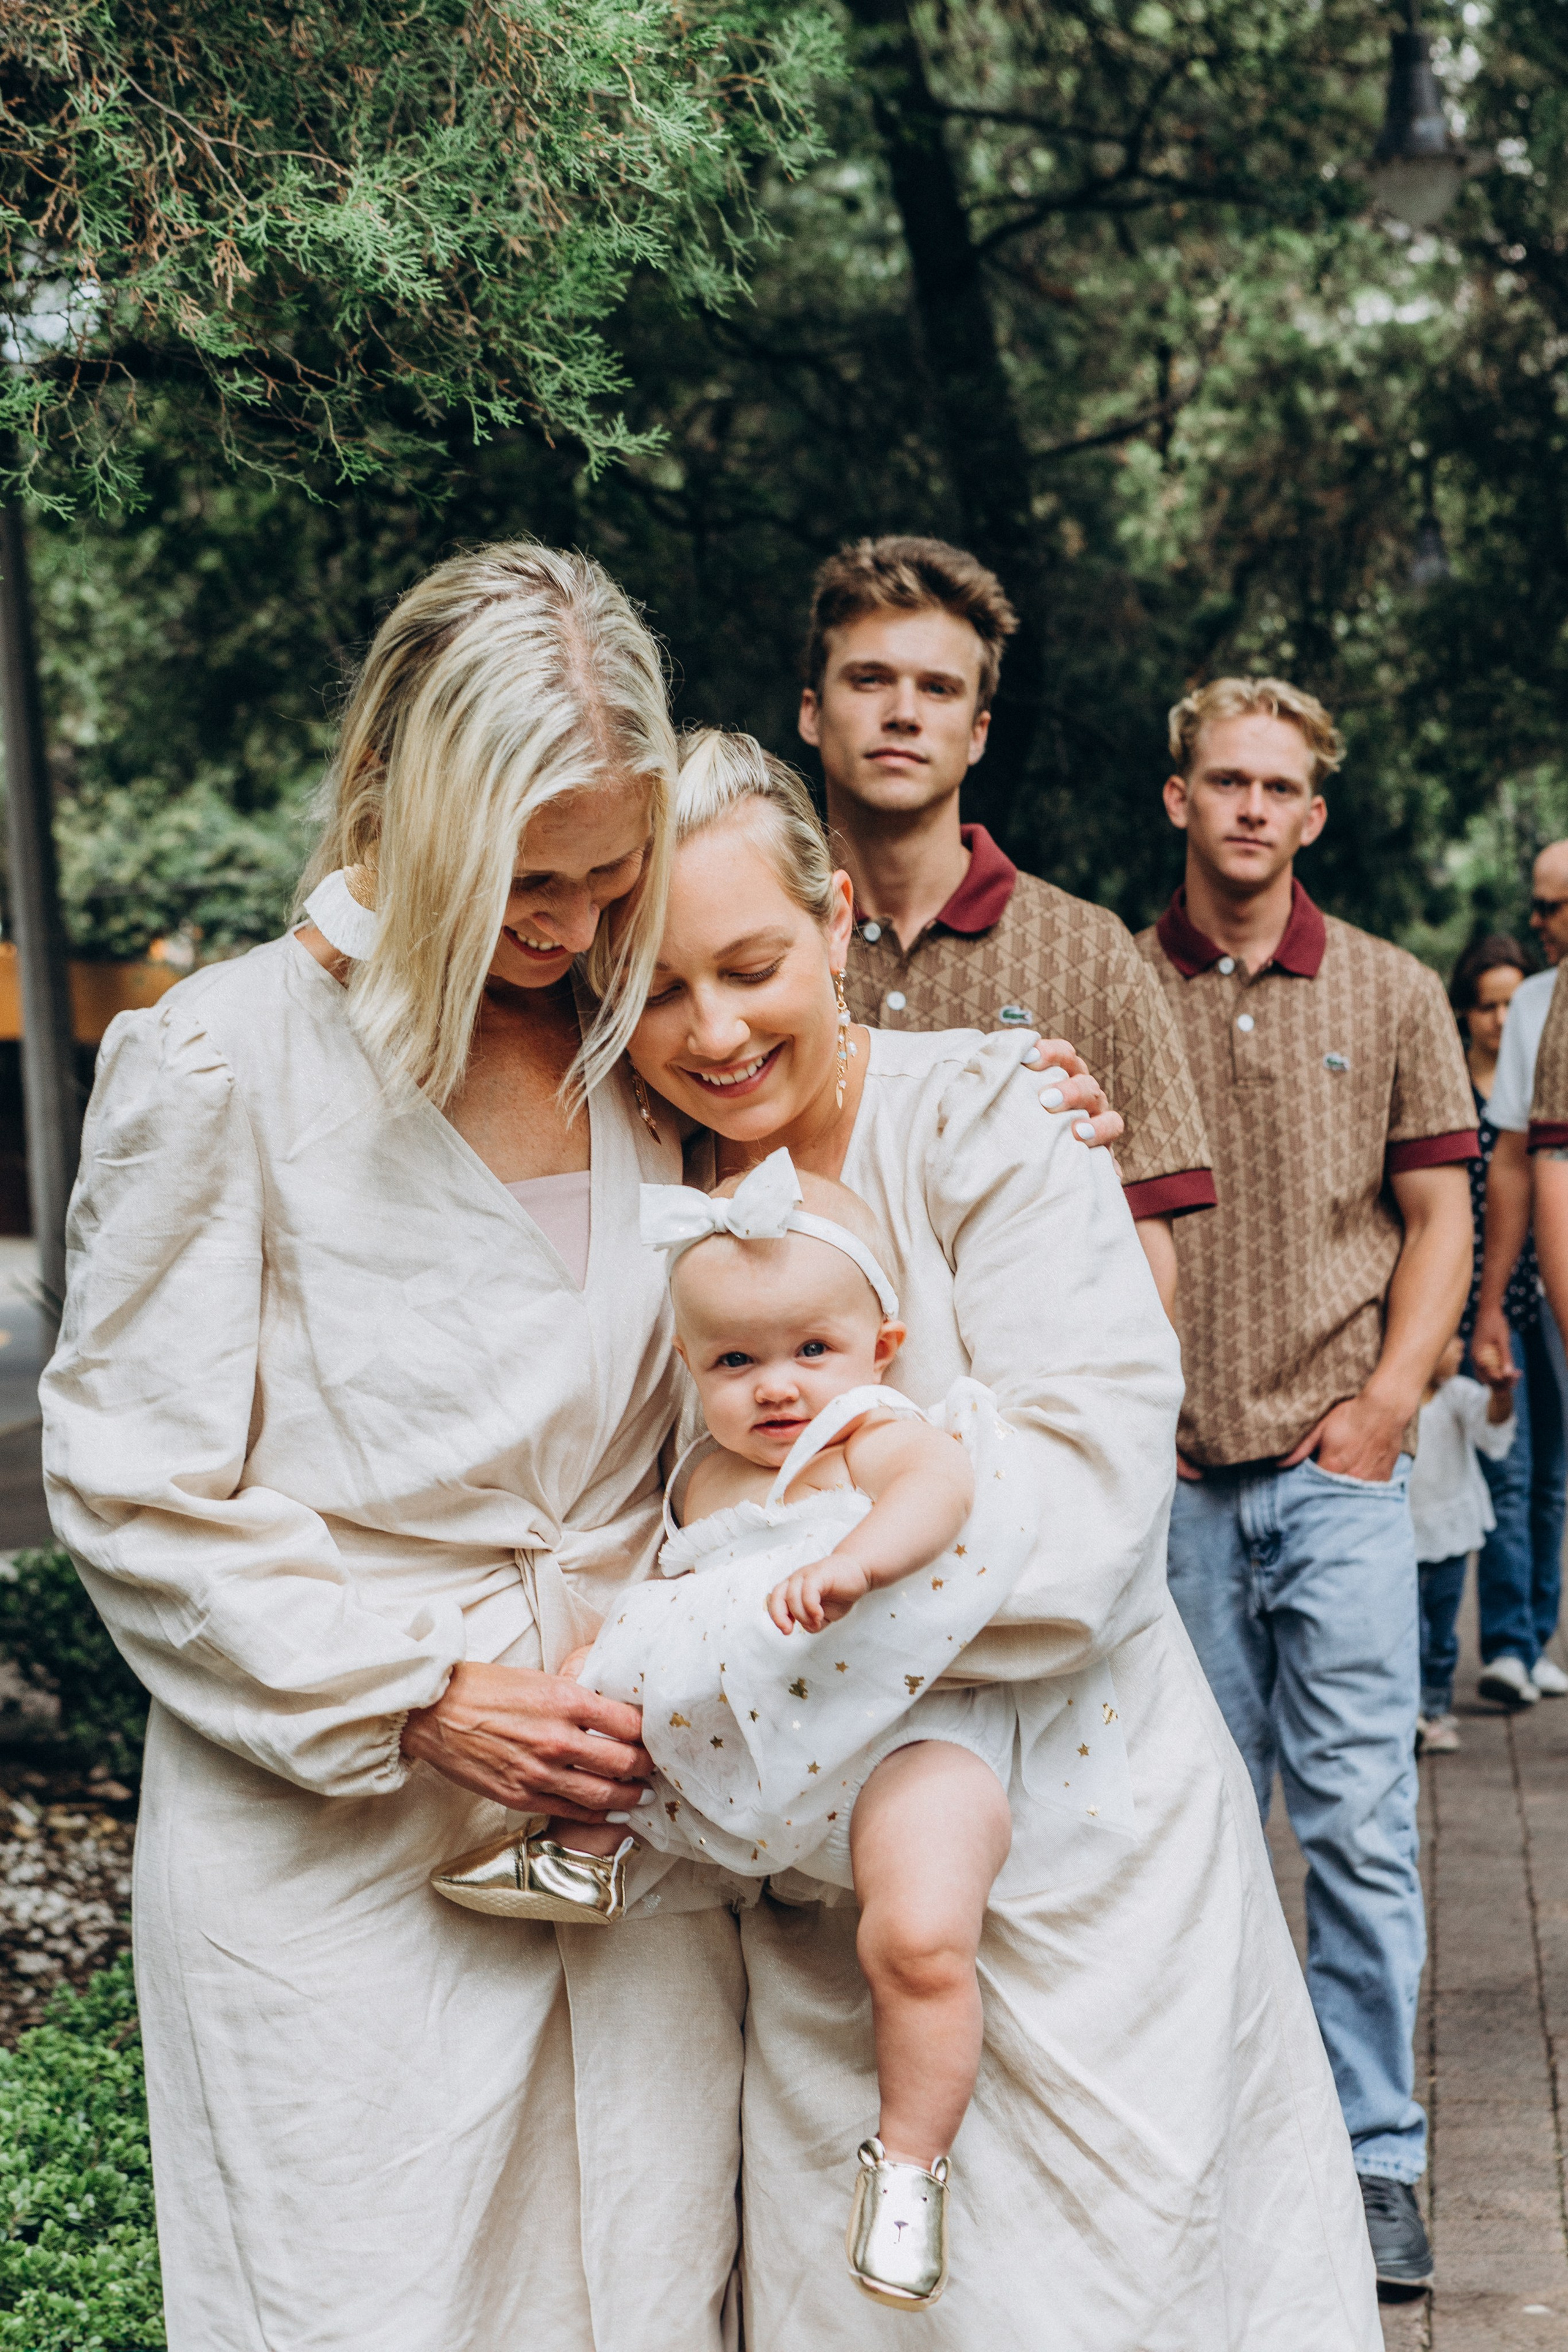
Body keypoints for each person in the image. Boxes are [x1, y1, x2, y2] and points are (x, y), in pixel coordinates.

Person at [38, 548, 1118, 2352]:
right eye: (525, 880)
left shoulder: (640, 1049)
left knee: (645, 2292)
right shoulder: (223, 1063)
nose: (564, 920)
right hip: (343, 1828)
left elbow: (831, 1165)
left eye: (605, 872)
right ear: (397, 803)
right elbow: (133, 1490)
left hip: (634, 1811)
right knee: (365, 2303)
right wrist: (416, 1691)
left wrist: (1001, 1086)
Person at [623, 727, 1382, 2348]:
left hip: (1090, 1853)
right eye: (658, 986)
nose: (715, 1029)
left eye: (751, 964)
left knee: (1118, 2286)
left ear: (835, 919)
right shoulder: (644, 1168)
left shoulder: (993, 1116)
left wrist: (743, 1649)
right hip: (816, 1905)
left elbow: (1091, 1502)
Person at [1135, 676, 1477, 2298]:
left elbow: (1440, 1216)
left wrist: (1392, 1401)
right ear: (1178, 799)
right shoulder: (1111, 984)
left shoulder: (1402, 990)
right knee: (1185, 1830)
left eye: (1281, 786)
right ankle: (1202, 2145)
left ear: (1314, 813)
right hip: (1171, 1480)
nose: (1253, 808)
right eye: (1226, 781)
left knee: (1358, 1823)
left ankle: (1377, 2155)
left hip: (1334, 1469)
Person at [798, 534, 1215, 1313]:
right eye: (869, 680)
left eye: (939, 689)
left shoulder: (1092, 952)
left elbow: (1145, 1258)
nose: (903, 713)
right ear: (812, 713)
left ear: (980, 731)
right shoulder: (753, 938)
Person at [1452, 930, 1568, 1710]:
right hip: (1498, 1306)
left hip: (1547, 1302)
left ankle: (1533, 1636)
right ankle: (1503, 1644)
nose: (1498, 1019)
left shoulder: (1542, 1045)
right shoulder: (1455, 1091)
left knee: (1551, 1482)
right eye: (1484, 1004)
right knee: (1509, 1472)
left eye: (1508, 1002)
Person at [1411, 1332, 1518, 1752]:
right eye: (1448, 1338)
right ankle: (1412, 1709)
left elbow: (1492, 1429)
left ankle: (1435, 1708)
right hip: (1405, 1534)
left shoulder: (1457, 1394)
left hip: (1451, 1534)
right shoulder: (1393, 1399)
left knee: (1441, 1630)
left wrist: (1501, 1394)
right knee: (1409, 1628)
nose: (1459, 1345)